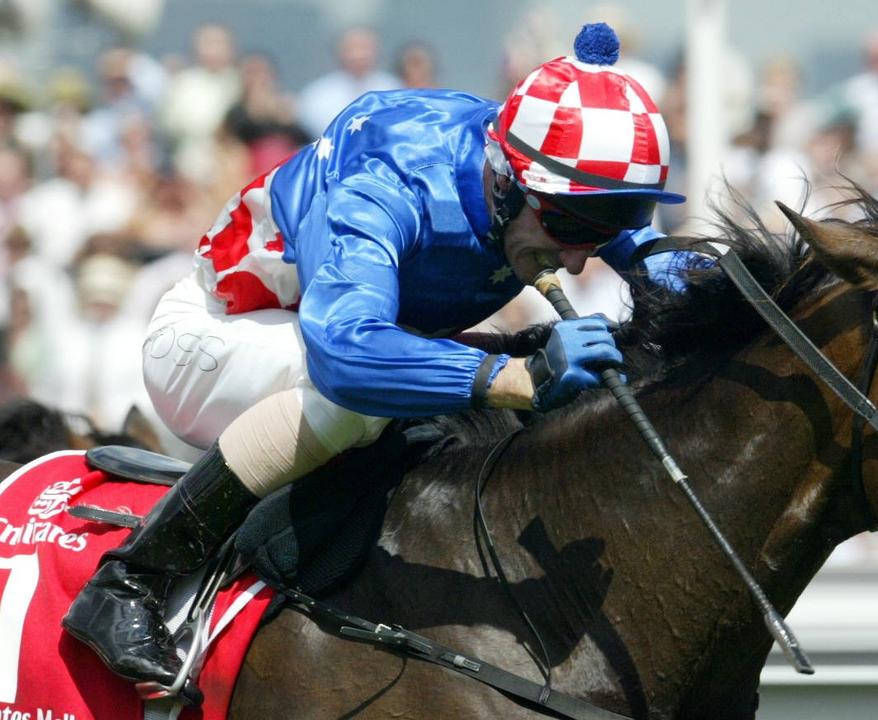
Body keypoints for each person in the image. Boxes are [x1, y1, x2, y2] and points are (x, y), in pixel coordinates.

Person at [61, 23, 693, 702]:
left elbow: (586, 201)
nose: (577, 258)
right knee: (366, 401)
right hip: (216, 338)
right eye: (571, 233)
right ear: (507, 184)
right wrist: (519, 380)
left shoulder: (523, 170)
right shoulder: (387, 184)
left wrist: (651, 255)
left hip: (323, 337)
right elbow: (347, 355)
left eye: (596, 233)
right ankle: (131, 581)